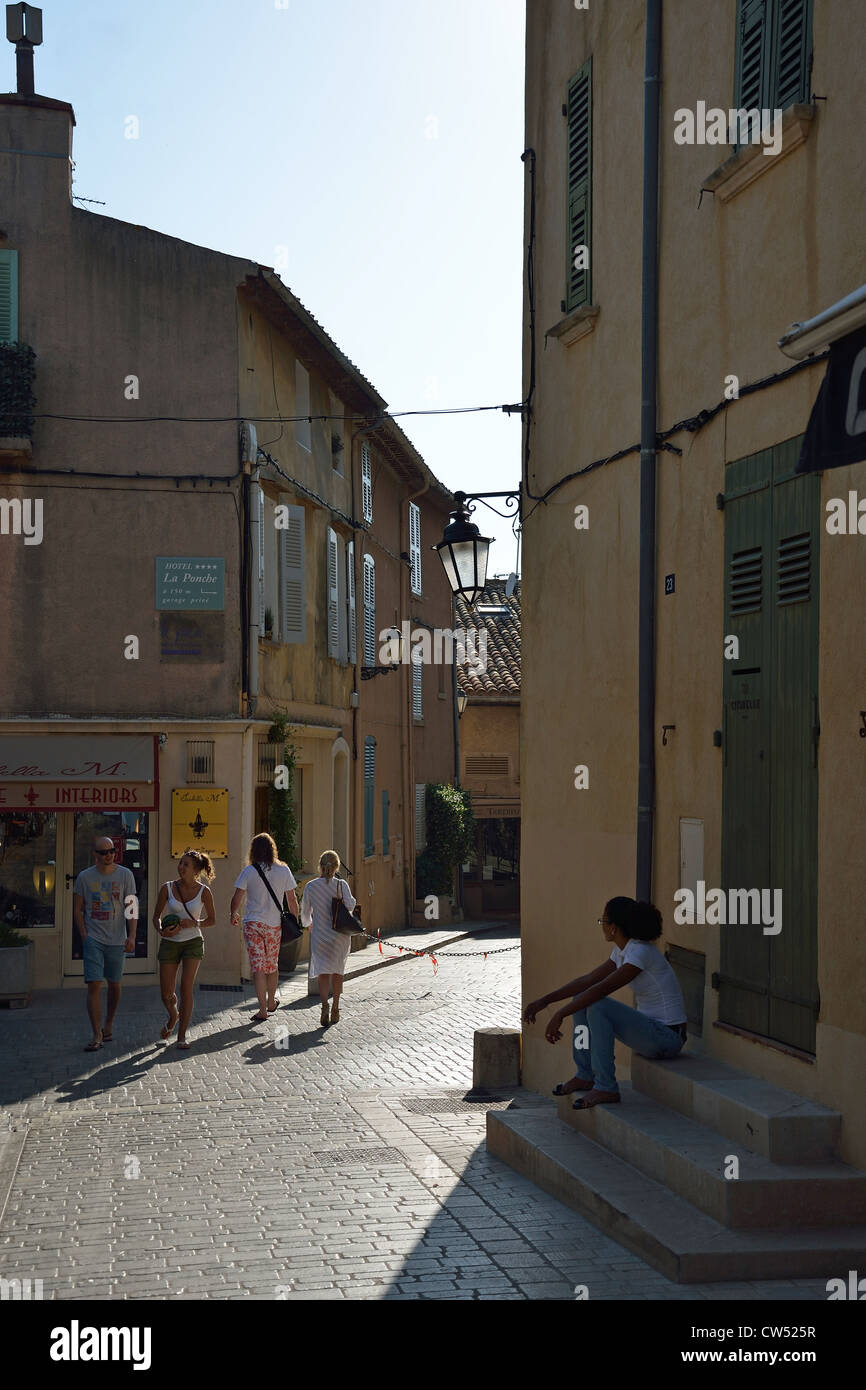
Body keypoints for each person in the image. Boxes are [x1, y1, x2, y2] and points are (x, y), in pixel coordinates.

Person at [523, 896, 687, 1109]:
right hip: (652, 1032)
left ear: (614, 928)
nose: (601, 926)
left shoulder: (641, 953)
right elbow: (588, 981)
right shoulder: (623, 952)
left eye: (603, 921)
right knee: (581, 1000)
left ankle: (606, 1087)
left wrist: (559, 1014)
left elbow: (601, 989)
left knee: (596, 1004)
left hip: (668, 1038)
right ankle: (585, 1074)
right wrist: (545, 1001)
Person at [73, 836, 138, 1052]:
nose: (108, 855)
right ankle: (96, 1034)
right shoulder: (84, 877)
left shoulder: (125, 874)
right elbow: (78, 909)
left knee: (115, 984)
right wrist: (84, 935)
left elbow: (131, 907)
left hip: (117, 939)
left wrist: (132, 936)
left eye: (111, 851)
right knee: (94, 984)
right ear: (95, 855)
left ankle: (108, 1023)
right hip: (94, 938)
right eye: (103, 852)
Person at [230, 833, 299, 1023]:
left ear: (253, 851)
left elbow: (237, 897)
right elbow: (292, 900)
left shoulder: (249, 871)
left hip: (253, 924)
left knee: (258, 968)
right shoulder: (283, 870)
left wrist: (233, 913)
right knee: (272, 965)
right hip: (274, 925)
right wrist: (295, 920)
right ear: (272, 849)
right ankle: (270, 1001)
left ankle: (262, 1010)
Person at [152, 849, 216, 1050]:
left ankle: (181, 1036)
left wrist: (194, 922)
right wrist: (162, 930)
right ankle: (173, 1016)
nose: (181, 867)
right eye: (180, 863)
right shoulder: (167, 888)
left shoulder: (204, 892)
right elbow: (156, 917)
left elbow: (212, 920)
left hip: (193, 942)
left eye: (185, 865)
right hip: (170, 943)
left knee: (186, 988)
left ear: (196, 869)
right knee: (166, 993)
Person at [301, 850, 357, 1028]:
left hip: (320, 934)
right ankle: (335, 1007)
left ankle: (324, 1004)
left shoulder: (311, 886)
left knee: (323, 972)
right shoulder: (341, 885)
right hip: (339, 935)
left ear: (320, 866)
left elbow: (305, 913)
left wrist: (308, 923)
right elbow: (350, 905)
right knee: (338, 972)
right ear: (336, 867)